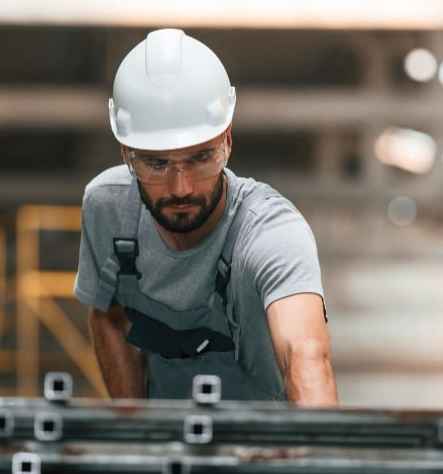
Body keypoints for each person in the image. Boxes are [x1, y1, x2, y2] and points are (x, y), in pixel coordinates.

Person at [74, 28, 337, 406]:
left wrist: (317, 457)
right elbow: (110, 318)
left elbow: (306, 355)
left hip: (269, 452)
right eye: (157, 164)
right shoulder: (108, 212)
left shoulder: (270, 233)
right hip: (171, 450)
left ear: (227, 141)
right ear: (126, 154)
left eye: (200, 158)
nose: (181, 188)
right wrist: (137, 435)